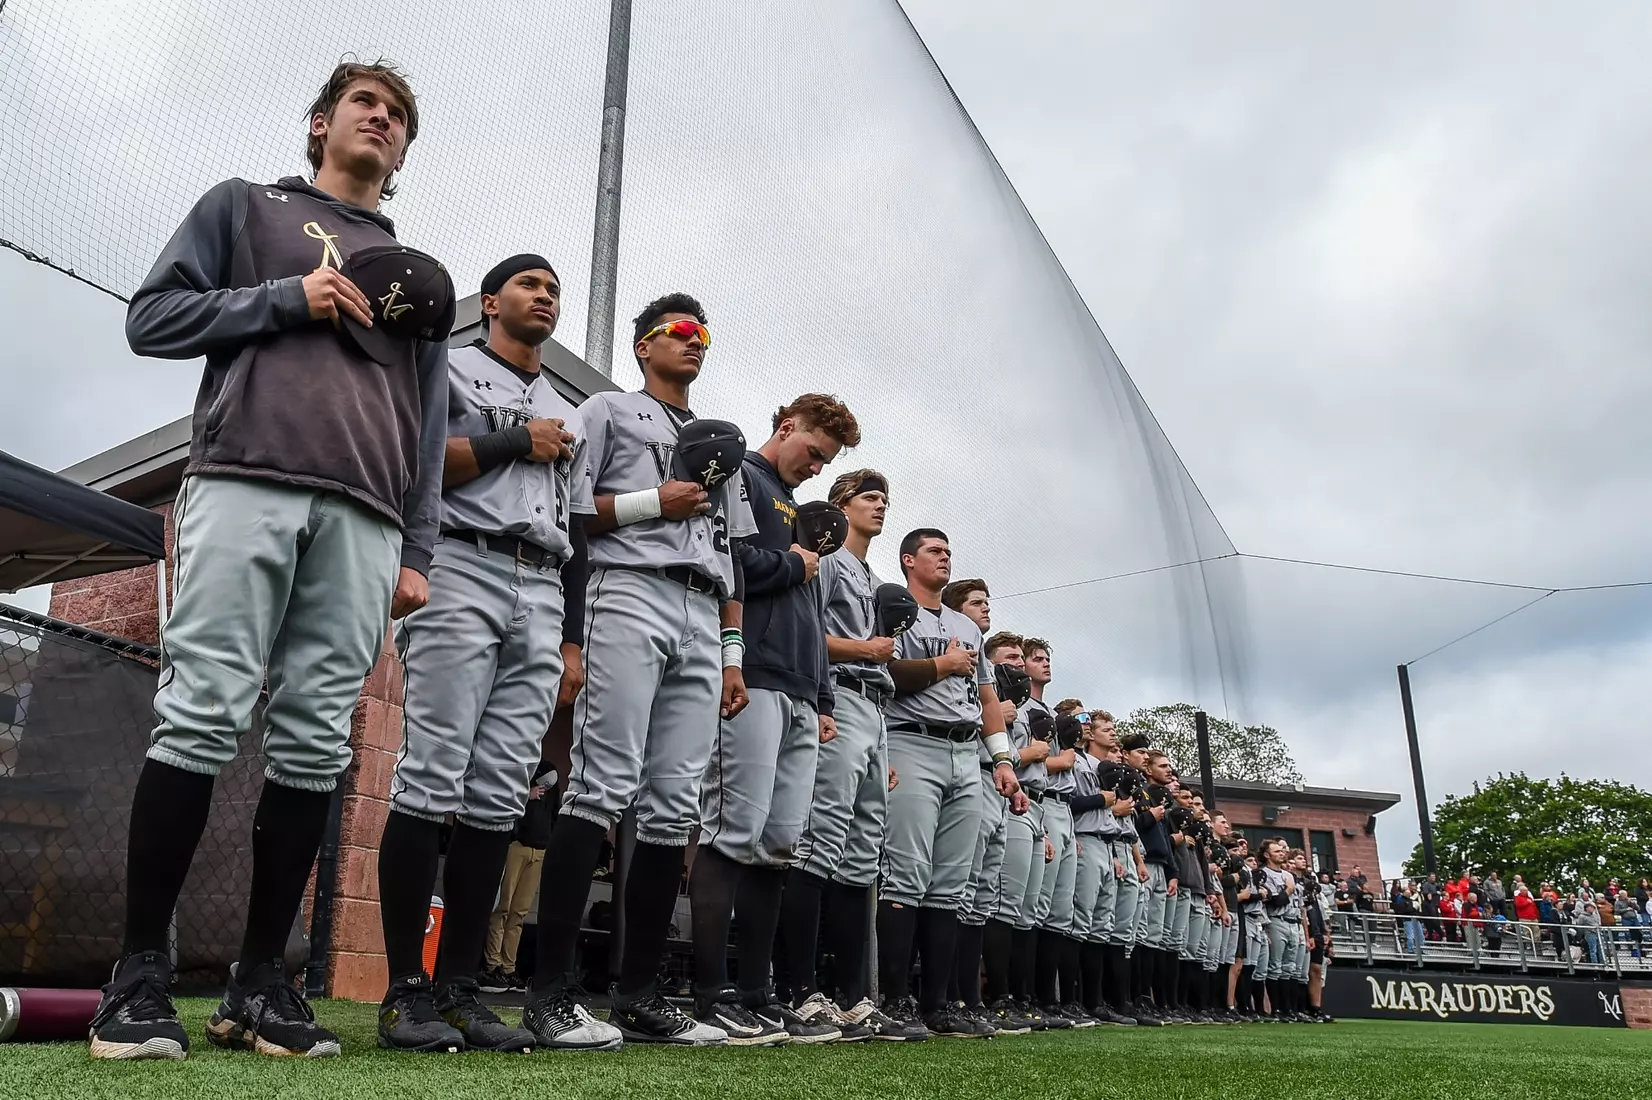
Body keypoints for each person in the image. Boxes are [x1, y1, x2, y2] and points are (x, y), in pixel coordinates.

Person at [91, 59, 450, 1061]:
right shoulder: (245, 208)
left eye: (399, 115)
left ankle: (262, 981)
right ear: (320, 121)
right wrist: (286, 299)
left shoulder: (417, 272)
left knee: (313, 742)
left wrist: (415, 545)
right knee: (202, 705)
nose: (382, 118)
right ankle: (138, 976)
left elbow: (428, 425)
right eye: (366, 103)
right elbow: (150, 318)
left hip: (368, 517)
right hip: (245, 477)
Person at [523, 293, 757, 1049]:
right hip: (629, 591)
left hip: (700, 608)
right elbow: (567, 505)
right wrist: (656, 500)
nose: (695, 343)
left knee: (673, 804)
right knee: (600, 781)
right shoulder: (607, 409)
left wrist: (731, 653)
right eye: (679, 332)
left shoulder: (719, 441)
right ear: (643, 346)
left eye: (703, 333)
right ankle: (550, 994)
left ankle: (641, 994)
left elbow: (732, 555)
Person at [370, 253, 591, 1055]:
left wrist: (572, 632)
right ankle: (404, 992)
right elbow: (414, 465)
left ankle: (461, 987)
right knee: (433, 770)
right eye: (530, 284)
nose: (546, 296)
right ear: (491, 301)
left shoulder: (569, 408)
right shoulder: (452, 366)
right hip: (462, 560)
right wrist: (511, 441)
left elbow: (580, 531)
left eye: (555, 289)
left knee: (501, 790)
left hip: (540, 578)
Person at [689, 394, 859, 1046]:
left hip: (798, 691)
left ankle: (757, 994)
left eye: (827, 461)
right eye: (813, 452)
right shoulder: (743, 477)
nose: (816, 468)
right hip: (750, 677)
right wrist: (793, 563)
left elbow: (813, 617)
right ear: (786, 428)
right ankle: (710, 994)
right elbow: (728, 566)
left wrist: (824, 700)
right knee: (732, 830)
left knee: (778, 844)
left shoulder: (803, 514)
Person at [777, 469, 917, 1040]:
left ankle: (853, 995)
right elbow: (808, 630)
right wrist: (865, 647)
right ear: (840, 504)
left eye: (885, 498)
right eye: (868, 498)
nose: (880, 506)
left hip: (873, 709)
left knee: (861, 855)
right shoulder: (829, 559)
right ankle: (798, 989)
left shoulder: (869, 573)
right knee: (819, 838)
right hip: (838, 693)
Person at [876, 529, 1023, 1038]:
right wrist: (944, 664)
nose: (944, 559)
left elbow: (986, 698)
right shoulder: (892, 605)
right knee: (906, 874)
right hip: (911, 741)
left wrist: (1002, 759)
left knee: (951, 884)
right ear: (908, 560)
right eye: (934, 552)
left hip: (967, 752)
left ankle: (937, 1004)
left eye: (948, 552)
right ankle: (894, 1000)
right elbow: (885, 672)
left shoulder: (965, 625)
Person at [945, 595, 1014, 1034]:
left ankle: (967, 996)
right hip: (951, 755)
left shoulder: (991, 679)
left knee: (977, 894)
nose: (985, 611)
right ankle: (942, 994)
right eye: (976, 603)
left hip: (991, 775)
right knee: (947, 884)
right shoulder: (940, 633)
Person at [985, 638, 1052, 1031]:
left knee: (1027, 909)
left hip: (1032, 801)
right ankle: (995, 996)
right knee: (996, 901)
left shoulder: (1026, 707)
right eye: (1013, 657)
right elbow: (1016, 753)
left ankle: (1021, 997)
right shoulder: (1004, 702)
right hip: (1003, 789)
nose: (1024, 665)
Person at [1068, 711, 1137, 1027]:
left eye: (1113, 729)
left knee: (1103, 926)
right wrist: (1103, 800)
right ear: (1091, 734)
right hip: (1083, 837)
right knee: (1080, 920)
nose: (1112, 734)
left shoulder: (1107, 769)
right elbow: (1070, 801)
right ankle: (1075, 1000)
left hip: (1108, 845)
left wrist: (1117, 856)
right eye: (1106, 729)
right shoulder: (1079, 761)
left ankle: (1099, 1002)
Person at [482, 761, 558, 993]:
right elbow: (506, 800)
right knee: (503, 907)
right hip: (517, 846)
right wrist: (528, 795)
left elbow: (554, 817)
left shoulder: (553, 786)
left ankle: (508, 967)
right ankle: (492, 965)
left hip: (540, 850)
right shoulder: (525, 776)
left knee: (519, 912)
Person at [1132, 750, 1180, 1021]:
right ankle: (1136, 995)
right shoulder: (1142, 792)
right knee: (1138, 932)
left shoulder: (1160, 799)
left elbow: (1163, 838)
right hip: (1144, 862)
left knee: (1154, 935)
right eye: (1162, 766)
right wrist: (1151, 815)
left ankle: (1147, 997)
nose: (1168, 770)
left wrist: (1173, 871)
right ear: (1148, 769)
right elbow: (1134, 826)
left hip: (1162, 867)